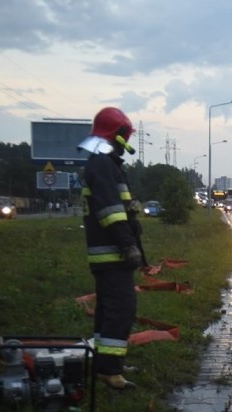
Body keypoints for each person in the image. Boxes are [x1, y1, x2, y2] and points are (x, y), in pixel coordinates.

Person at [77, 106, 145, 390]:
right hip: (112, 253)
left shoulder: (103, 163)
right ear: (118, 135)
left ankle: (107, 363)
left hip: (107, 254)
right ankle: (110, 370)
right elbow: (111, 212)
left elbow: (119, 208)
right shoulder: (103, 165)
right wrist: (128, 244)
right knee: (122, 309)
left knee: (107, 309)